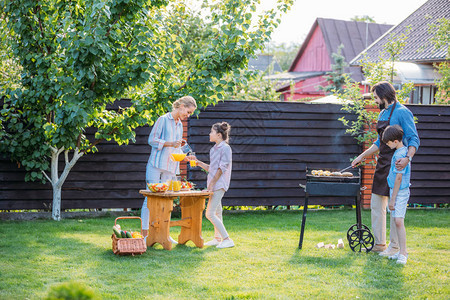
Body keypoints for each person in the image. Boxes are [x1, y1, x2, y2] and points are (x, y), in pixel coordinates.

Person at [351, 81, 419, 256]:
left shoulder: (403, 112)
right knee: (376, 204)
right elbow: (379, 143)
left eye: (375, 97)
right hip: (382, 164)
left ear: (383, 96)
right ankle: (380, 244)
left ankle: (394, 247)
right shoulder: (382, 113)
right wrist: (361, 157)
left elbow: (414, 139)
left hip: (397, 163)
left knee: (393, 206)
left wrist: (407, 159)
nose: (375, 101)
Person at [141, 96, 197, 241]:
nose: (188, 115)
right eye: (188, 112)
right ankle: (145, 235)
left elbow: (176, 149)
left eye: (190, 113)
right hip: (156, 164)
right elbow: (151, 140)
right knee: (149, 199)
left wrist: (184, 157)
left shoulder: (180, 125)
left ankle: (164, 235)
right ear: (182, 106)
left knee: (167, 201)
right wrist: (170, 143)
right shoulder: (163, 119)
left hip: (170, 167)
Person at [190, 122, 234, 249]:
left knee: (209, 214)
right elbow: (212, 168)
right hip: (214, 184)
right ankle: (217, 238)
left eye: (212, 132)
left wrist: (212, 184)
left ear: (219, 135)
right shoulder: (213, 149)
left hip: (219, 185)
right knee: (217, 213)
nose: (209, 134)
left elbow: (222, 169)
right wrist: (198, 163)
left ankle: (227, 239)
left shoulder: (225, 148)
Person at [381, 125, 411, 264]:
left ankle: (403, 253)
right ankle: (400, 251)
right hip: (395, 190)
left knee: (398, 221)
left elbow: (399, 178)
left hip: (400, 192)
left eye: (388, 143)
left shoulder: (400, 154)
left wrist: (392, 200)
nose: (387, 145)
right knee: (396, 220)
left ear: (395, 141)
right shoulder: (400, 152)